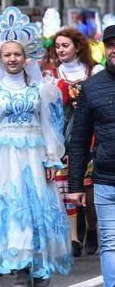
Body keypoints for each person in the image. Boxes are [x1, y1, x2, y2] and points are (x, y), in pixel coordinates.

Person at [0, 8, 72, 287]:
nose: (12, 59)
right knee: (12, 209)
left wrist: (53, 158)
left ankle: (38, 263)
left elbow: (51, 126)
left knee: (35, 208)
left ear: (26, 57)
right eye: (7, 55)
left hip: (34, 156)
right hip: (5, 159)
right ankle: (20, 268)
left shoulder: (42, 91)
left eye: (17, 54)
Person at [66, 23, 115, 287]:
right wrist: (74, 186)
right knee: (110, 243)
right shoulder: (93, 87)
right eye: (110, 45)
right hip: (107, 179)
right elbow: (79, 139)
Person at [46, 27, 102, 255]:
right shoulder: (51, 75)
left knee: (89, 189)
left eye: (65, 45)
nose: (60, 50)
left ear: (77, 47)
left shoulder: (94, 71)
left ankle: (91, 227)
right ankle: (73, 238)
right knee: (65, 185)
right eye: (57, 46)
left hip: (91, 135)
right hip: (63, 136)